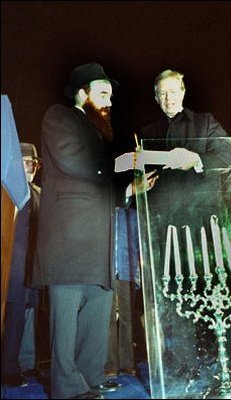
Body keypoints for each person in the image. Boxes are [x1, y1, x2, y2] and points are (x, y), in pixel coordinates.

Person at [136, 69, 231, 395]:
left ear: (183, 92)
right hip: (166, 230)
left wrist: (195, 159)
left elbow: (227, 154)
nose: (169, 98)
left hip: (204, 228)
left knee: (218, 298)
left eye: (174, 91)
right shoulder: (147, 133)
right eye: (163, 94)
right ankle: (185, 369)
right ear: (156, 98)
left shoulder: (206, 122)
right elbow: (135, 173)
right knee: (176, 303)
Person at [32, 63, 122, 400]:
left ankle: (89, 375)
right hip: (68, 239)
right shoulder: (60, 116)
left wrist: (128, 190)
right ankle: (67, 386)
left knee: (99, 304)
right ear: (82, 93)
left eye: (110, 96)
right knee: (66, 312)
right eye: (102, 93)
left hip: (98, 239)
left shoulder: (97, 130)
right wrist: (124, 164)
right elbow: (77, 161)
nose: (108, 101)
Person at [1, 143, 41, 387]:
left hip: (30, 269)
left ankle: (24, 365)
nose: (31, 168)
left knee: (25, 318)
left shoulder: (38, 192)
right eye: (27, 162)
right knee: (14, 318)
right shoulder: (7, 191)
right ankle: (8, 370)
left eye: (34, 163)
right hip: (11, 269)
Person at [105, 206, 140, 378]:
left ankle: (127, 362)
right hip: (107, 272)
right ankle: (110, 363)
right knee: (108, 318)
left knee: (128, 317)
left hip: (127, 271)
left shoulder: (132, 215)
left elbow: (139, 244)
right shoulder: (106, 211)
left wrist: (139, 272)